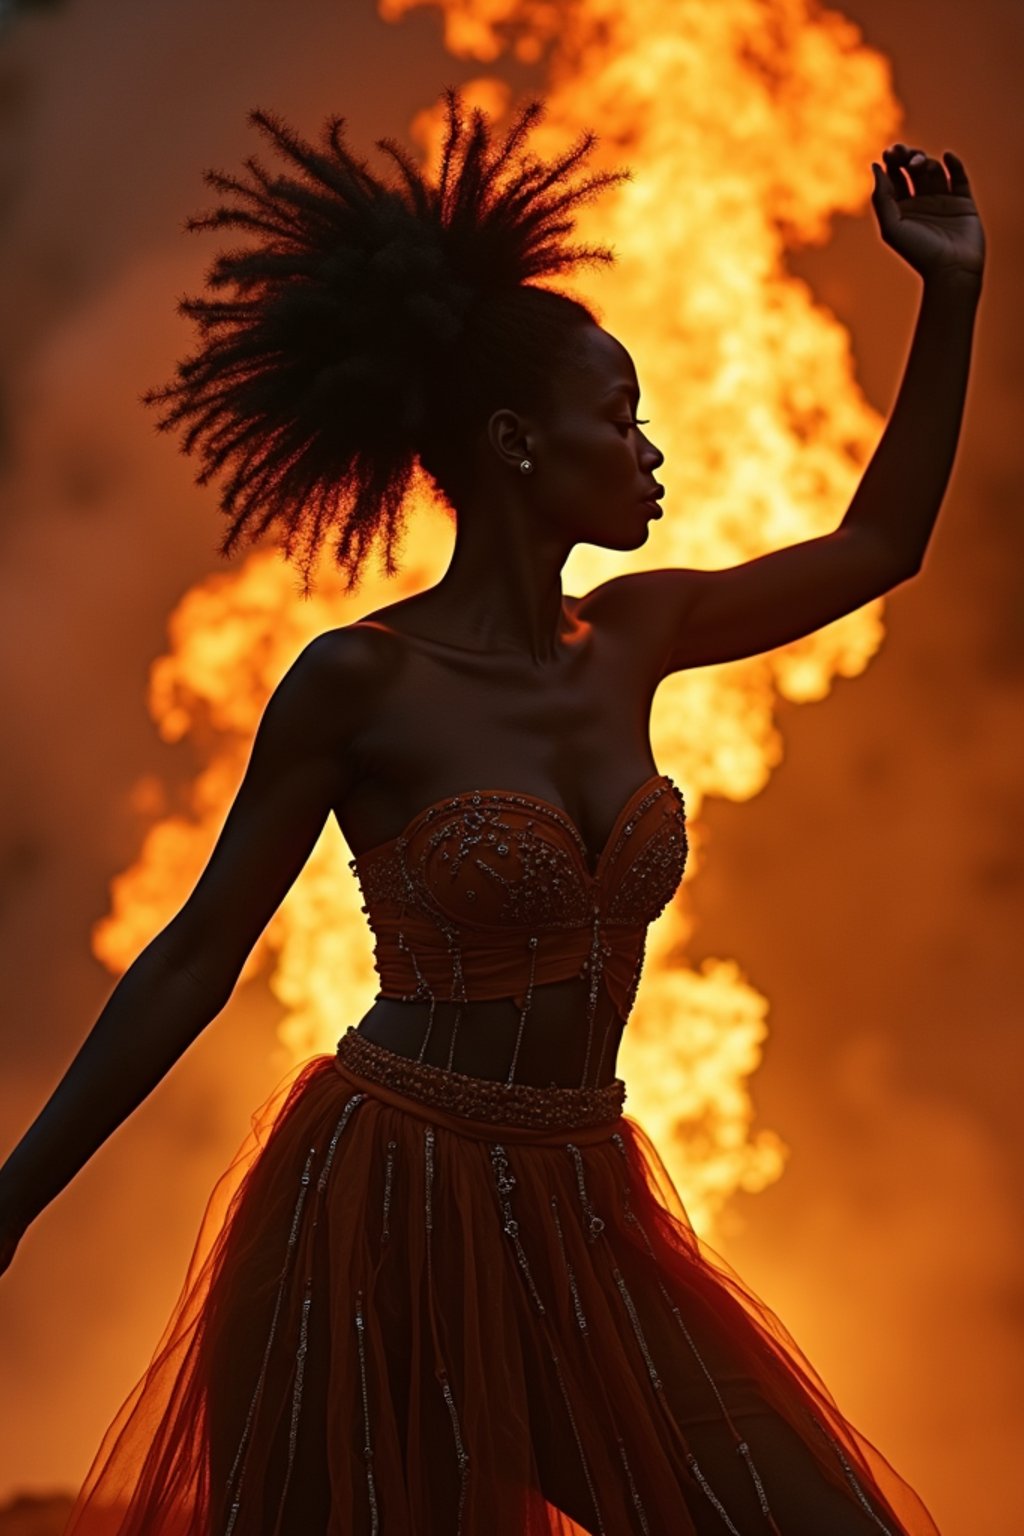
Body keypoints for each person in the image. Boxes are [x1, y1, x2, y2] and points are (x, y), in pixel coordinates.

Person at [0, 87, 983, 1534]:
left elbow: (880, 544)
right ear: (519, 443)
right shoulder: (361, 683)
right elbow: (199, 955)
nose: (651, 451)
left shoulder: (640, 636)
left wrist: (951, 296)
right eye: (621, 419)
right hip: (377, 1211)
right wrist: (15, 1196)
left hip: (588, 1208)